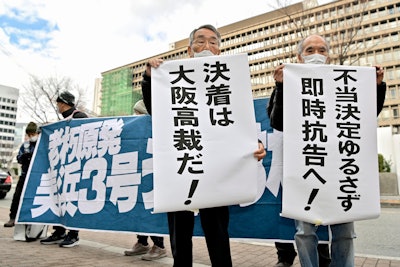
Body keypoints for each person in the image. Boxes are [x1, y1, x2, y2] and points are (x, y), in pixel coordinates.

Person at [141, 24, 266, 267]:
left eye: (212, 42)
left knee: (218, 234)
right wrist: (149, 77)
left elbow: (239, 122)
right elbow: (156, 109)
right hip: (183, 164)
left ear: (219, 51)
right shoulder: (173, 79)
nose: (206, 46)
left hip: (217, 171)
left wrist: (255, 143)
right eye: (200, 41)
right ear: (189, 50)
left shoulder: (229, 83)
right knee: (180, 235)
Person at [267, 34, 386, 267]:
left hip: (340, 169)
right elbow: (277, 121)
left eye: (322, 50)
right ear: (299, 57)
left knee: (344, 232)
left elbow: (365, 116)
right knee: (304, 233)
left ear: (328, 55)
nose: (316, 54)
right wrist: (280, 86)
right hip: (306, 168)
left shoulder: (342, 83)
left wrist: (377, 86)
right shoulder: (288, 81)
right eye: (310, 50)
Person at [40, 91, 88, 248]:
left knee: (72, 200)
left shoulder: (80, 117)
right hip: (61, 167)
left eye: (58, 103)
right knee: (58, 199)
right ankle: (59, 231)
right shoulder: (61, 121)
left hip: (75, 167)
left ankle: (73, 235)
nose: (58, 107)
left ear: (63, 103)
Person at [124, 99, 167, 260]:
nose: (135, 116)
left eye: (138, 113)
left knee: (150, 210)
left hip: (152, 177)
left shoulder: (156, 128)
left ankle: (159, 245)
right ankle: (142, 242)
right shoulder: (136, 131)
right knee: (138, 211)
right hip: (136, 175)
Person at [4, 122, 39, 228]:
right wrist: (23, 157)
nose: (31, 136)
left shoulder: (41, 145)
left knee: (33, 198)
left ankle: (30, 219)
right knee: (17, 197)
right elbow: (19, 158)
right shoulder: (25, 145)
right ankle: (13, 218)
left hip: (36, 176)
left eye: (33, 134)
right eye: (29, 134)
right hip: (24, 175)